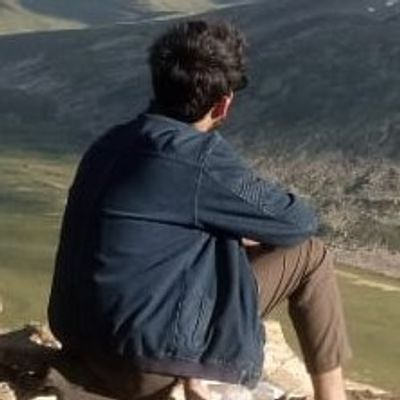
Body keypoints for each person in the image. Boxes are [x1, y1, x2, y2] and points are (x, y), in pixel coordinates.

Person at [48, 19, 351, 400]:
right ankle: (333, 396)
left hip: (81, 349)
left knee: (215, 241)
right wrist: (235, 232)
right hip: (145, 368)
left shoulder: (109, 142)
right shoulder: (199, 158)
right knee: (311, 255)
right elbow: (297, 223)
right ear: (223, 103)